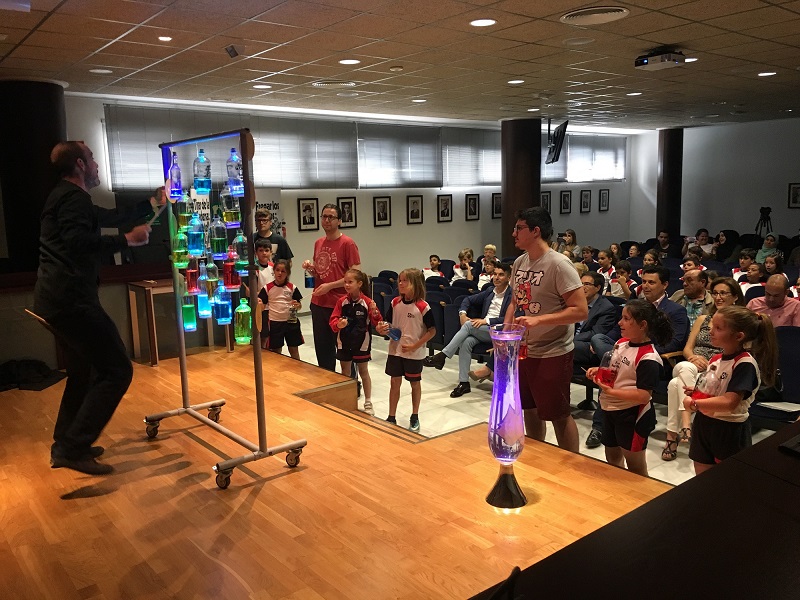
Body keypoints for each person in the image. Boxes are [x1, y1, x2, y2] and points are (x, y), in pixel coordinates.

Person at [35, 141, 161, 475]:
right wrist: (127, 240)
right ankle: (72, 447)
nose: (96, 164)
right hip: (72, 302)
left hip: (56, 299)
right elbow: (78, 243)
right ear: (80, 164)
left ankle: (66, 441)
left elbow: (109, 217)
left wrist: (152, 203)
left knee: (83, 371)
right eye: (91, 158)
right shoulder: (72, 199)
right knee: (117, 370)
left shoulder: (67, 196)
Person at [506, 207, 588, 453]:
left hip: (553, 351)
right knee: (529, 409)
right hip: (524, 350)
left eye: (519, 228)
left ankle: (570, 463)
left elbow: (580, 310)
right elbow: (514, 302)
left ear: (535, 231)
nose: (513, 233)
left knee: (557, 414)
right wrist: (507, 333)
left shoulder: (559, 264)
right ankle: (538, 457)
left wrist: (539, 320)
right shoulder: (520, 262)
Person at [584, 265, 689, 448]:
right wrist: (621, 348)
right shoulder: (634, 303)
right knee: (599, 341)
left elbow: (674, 343)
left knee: (611, 376)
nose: (645, 286)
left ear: (665, 285)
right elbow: (616, 331)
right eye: (643, 281)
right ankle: (612, 360)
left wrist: (635, 354)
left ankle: (598, 426)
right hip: (625, 348)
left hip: (656, 360)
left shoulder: (675, 310)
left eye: (651, 282)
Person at [683, 306, 778, 475]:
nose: (711, 331)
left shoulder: (745, 364)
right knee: (702, 476)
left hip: (729, 429)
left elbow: (729, 402)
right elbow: (716, 389)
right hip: (704, 423)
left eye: (718, 328)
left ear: (739, 336)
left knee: (727, 480)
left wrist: (695, 404)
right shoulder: (715, 359)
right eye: (712, 326)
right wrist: (696, 392)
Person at [586, 300, 672, 477]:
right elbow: (617, 370)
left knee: (635, 467)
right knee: (612, 458)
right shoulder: (622, 342)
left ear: (642, 325)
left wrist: (611, 392)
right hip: (609, 409)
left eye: (626, 318)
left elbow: (643, 395)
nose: (620, 322)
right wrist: (598, 371)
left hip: (631, 415)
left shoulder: (649, 358)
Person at [662, 278, 745, 461]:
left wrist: (710, 364)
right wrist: (693, 357)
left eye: (723, 293)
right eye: (715, 293)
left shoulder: (740, 324)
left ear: (735, 297)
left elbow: (736, 352)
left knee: (675, 384)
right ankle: (687, 421)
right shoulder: (703, 319)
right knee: (684, 366)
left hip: (717, 371)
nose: (718, 297)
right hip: (692, 366)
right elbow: (687, 348)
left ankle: (672, 436)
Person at [423, 263, 513, 397]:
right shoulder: (490, 291)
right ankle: (464, 382)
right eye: (495, 274)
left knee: (469, 325)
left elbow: (511, 319)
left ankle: (443, 355)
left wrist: (487, 321)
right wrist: (462, 314)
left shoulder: (512, 295)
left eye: (501, 275)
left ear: (508, 277)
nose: (496, 277)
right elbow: (467, 299)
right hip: (484, 330)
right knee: (466, 342)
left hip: (500, 331)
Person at [302, 204, 362, 371]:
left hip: (340, 304)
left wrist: (330, 286)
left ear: (339, 221)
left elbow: (356, 275)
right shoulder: (319, 243)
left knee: (344, 350)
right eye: (324, 216)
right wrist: (311, 269)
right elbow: (321, 272)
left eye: (331, 217)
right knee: (323, 350)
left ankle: (350, 382)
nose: (327, 220)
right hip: (319, 303)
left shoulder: (347, 243)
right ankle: (328, 381)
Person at [377, 269, 436, 433]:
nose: (400, 283)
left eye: (405, 281)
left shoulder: (423, 307)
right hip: (395, 351)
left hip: (414, 354)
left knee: (414, 384)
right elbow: (388, 324)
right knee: (394, 383)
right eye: (400, 280)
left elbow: (432, 331)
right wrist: (382, 328)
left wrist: (415, 346)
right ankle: (391, 416)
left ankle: (415, 415)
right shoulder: (395, 302)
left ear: (415, 284)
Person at [330, 269, 382, 416]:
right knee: (345, 372)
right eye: (345, 282)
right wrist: (338, 324)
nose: (346, 285)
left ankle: (368, 402)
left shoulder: (368, 302)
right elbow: (333, 320)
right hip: (344, 342)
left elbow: (377, 321)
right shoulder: (341, 301)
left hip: (362, 343)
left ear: (359, 284)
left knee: (364, 372)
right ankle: (346, 399)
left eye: (350, 282)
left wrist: (375, 312)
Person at [257, 260, 303, 360]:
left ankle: (297, 367)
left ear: (288, 273)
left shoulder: (292, 287)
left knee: (294, 350)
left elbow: (299, 305)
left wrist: (297, 305)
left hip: (291, 322)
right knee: (276, 351)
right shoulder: (267, 288)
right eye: (277, 270)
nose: (280, 273)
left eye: (283, 271)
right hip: (275, 323)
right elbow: (262, 307)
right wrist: (259, 305)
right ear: (274, 271)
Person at [573, 271, 617, 367]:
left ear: (598, 288)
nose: (582, 287)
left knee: (563, 346)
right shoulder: (575, 302)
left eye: (587, 284)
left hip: (588, 345)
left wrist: (570, 339)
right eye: (581, 284)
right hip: (572, 338)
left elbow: (595, 333)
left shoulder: (606, 308)